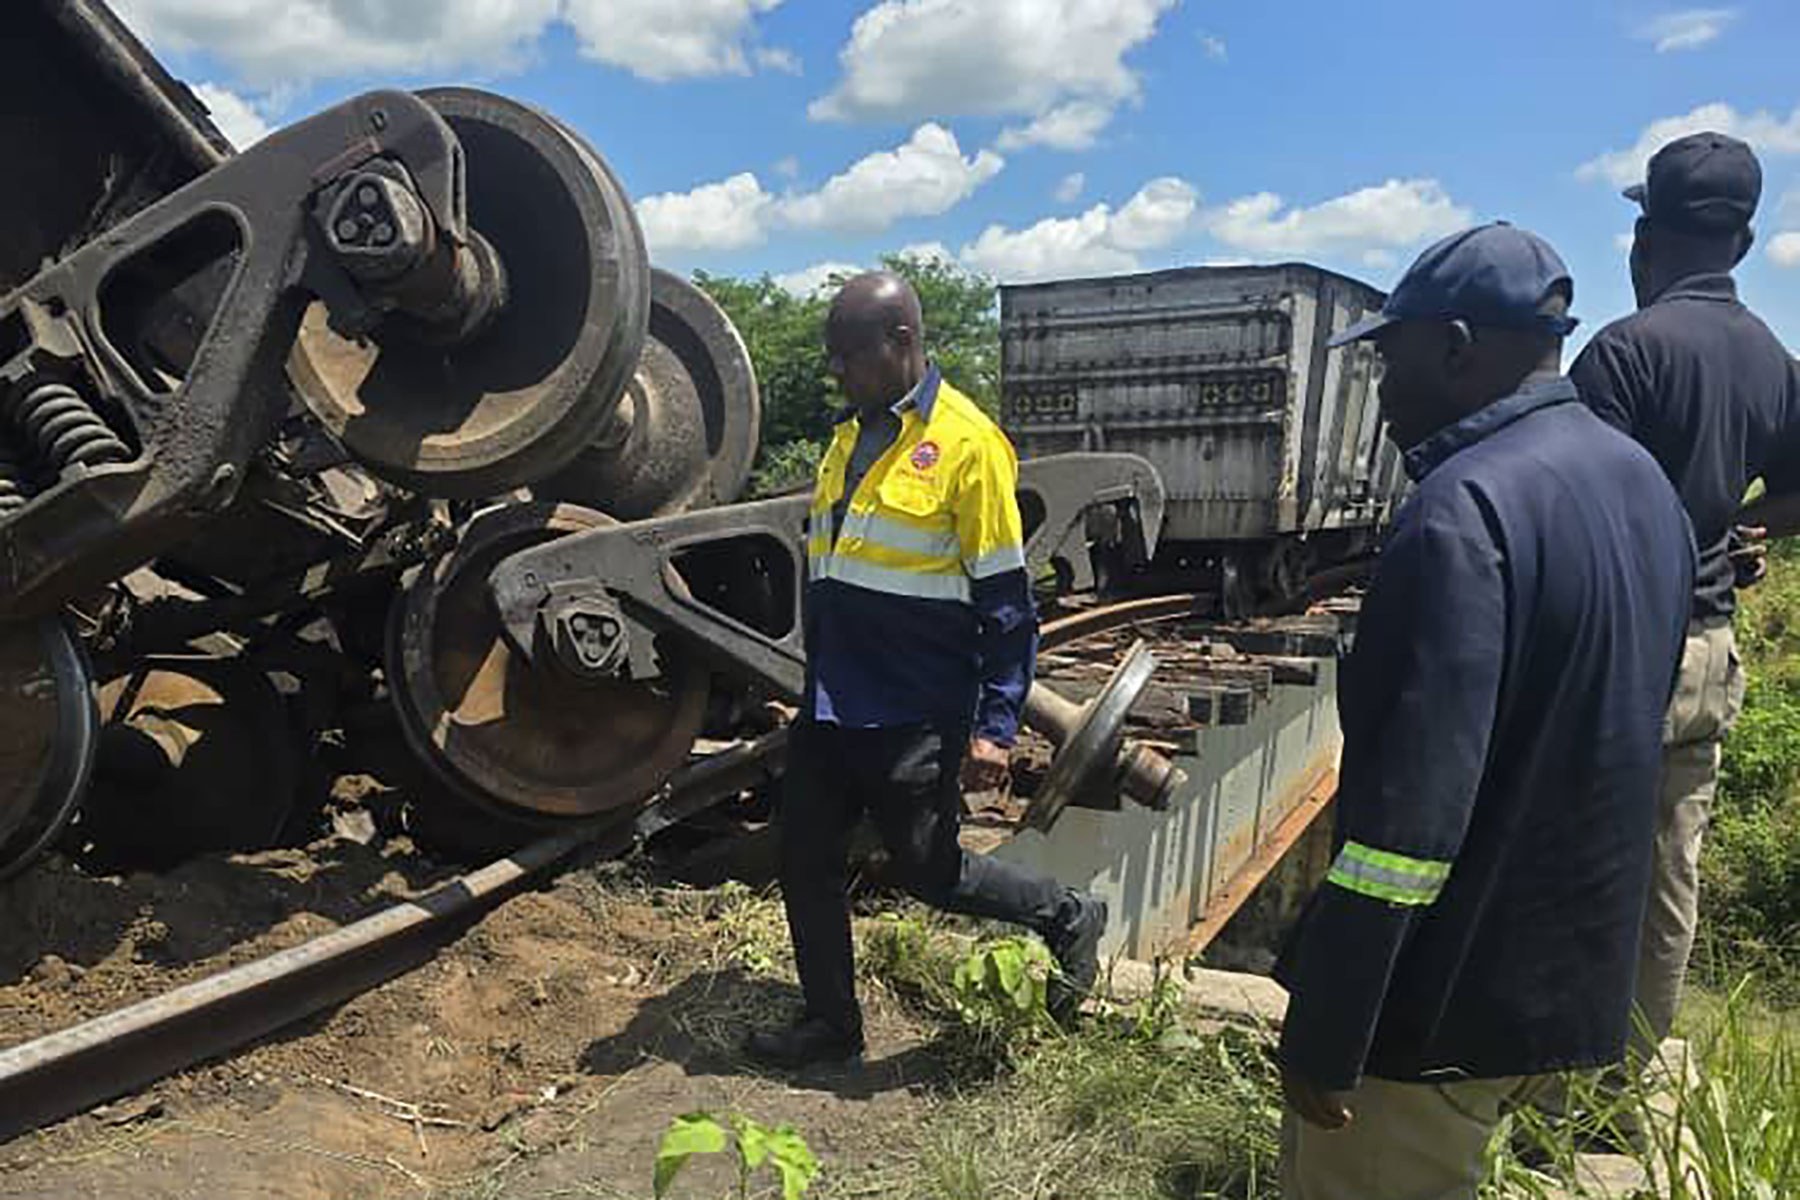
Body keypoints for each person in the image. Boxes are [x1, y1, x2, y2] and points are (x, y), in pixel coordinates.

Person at [1272, 224, 1694, 1200]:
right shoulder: (1644, 489)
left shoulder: (1460, 513)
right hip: (1567, 990)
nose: (1378, 394)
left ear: (1457, 347)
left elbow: (1406, 826)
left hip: (1435, 1013)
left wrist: (1332, 1023)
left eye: (1390, 358)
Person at [745, 271, 1108, 1069]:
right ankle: (831, 1025)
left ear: (902, 343)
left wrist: (995, 727)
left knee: (930, 873)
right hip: (835, 704)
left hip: (913, 709)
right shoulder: (848, 439)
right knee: (801, 854)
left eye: (848, 354)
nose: (836, 371)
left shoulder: (969, 446)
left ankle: (1068, 914)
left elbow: (1008, 605)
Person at [1569, 131, 1800, 1071]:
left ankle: (1540, 1083)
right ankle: (1620, 1086)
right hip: (1707, 648)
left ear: (1644, 240)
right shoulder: (1776, 364)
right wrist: (1734, 529)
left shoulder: (1622, 355)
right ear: (1744, 247)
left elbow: (1567, 507)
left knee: (1571, 864)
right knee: (1668, 876)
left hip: (1616, 654)